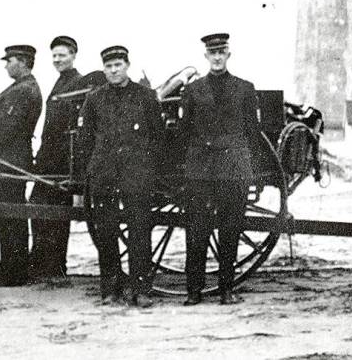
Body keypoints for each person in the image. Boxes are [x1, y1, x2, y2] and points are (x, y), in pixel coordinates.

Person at [76, 45, 163, 308]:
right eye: (109, 66)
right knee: (106, 234)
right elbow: (84, 140)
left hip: (136, 175)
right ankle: (110, 290)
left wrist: (148, 169)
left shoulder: (146, 96)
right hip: (104, 175)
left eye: (118, 65)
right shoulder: (94, 99)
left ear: (127, 66)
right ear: (104, 69)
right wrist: (88, 176)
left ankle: (141, 290)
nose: (114, 71)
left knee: (140, 232)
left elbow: (158, 137)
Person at [180, 33, 260, 306]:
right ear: (206, 56)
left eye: (221, 52)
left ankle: (226, 289)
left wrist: (249, 168)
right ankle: (194, 291)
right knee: (196, 231)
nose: (217, 57)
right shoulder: (192, 90)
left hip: (233, 169)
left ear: (228, 55)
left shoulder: (245, 89)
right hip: (201, 170)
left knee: (230, 230)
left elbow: (253, 132)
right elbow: (184, 131)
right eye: (212, 53)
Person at [0, 44, 42, 288]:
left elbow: (5, 129)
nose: (6, 65)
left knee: (9, 218)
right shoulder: (23, 88)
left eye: (10, 61)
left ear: (23, 62)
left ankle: (12, 273)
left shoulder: (23, 90)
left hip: (9, 163)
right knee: (9, 217)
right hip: (9, 162)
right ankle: (12, 270)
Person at [28, 36, 83, 281]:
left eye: (62, 55)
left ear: (73, 55)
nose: (57, 60)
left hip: (61, 160)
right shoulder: (61, 82)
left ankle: (53, 266)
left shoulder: (77, 82)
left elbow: (73, 127)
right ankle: (46, 264)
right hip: (49, 157)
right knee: (43, 210)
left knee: (53, 213)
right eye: (54, 56)